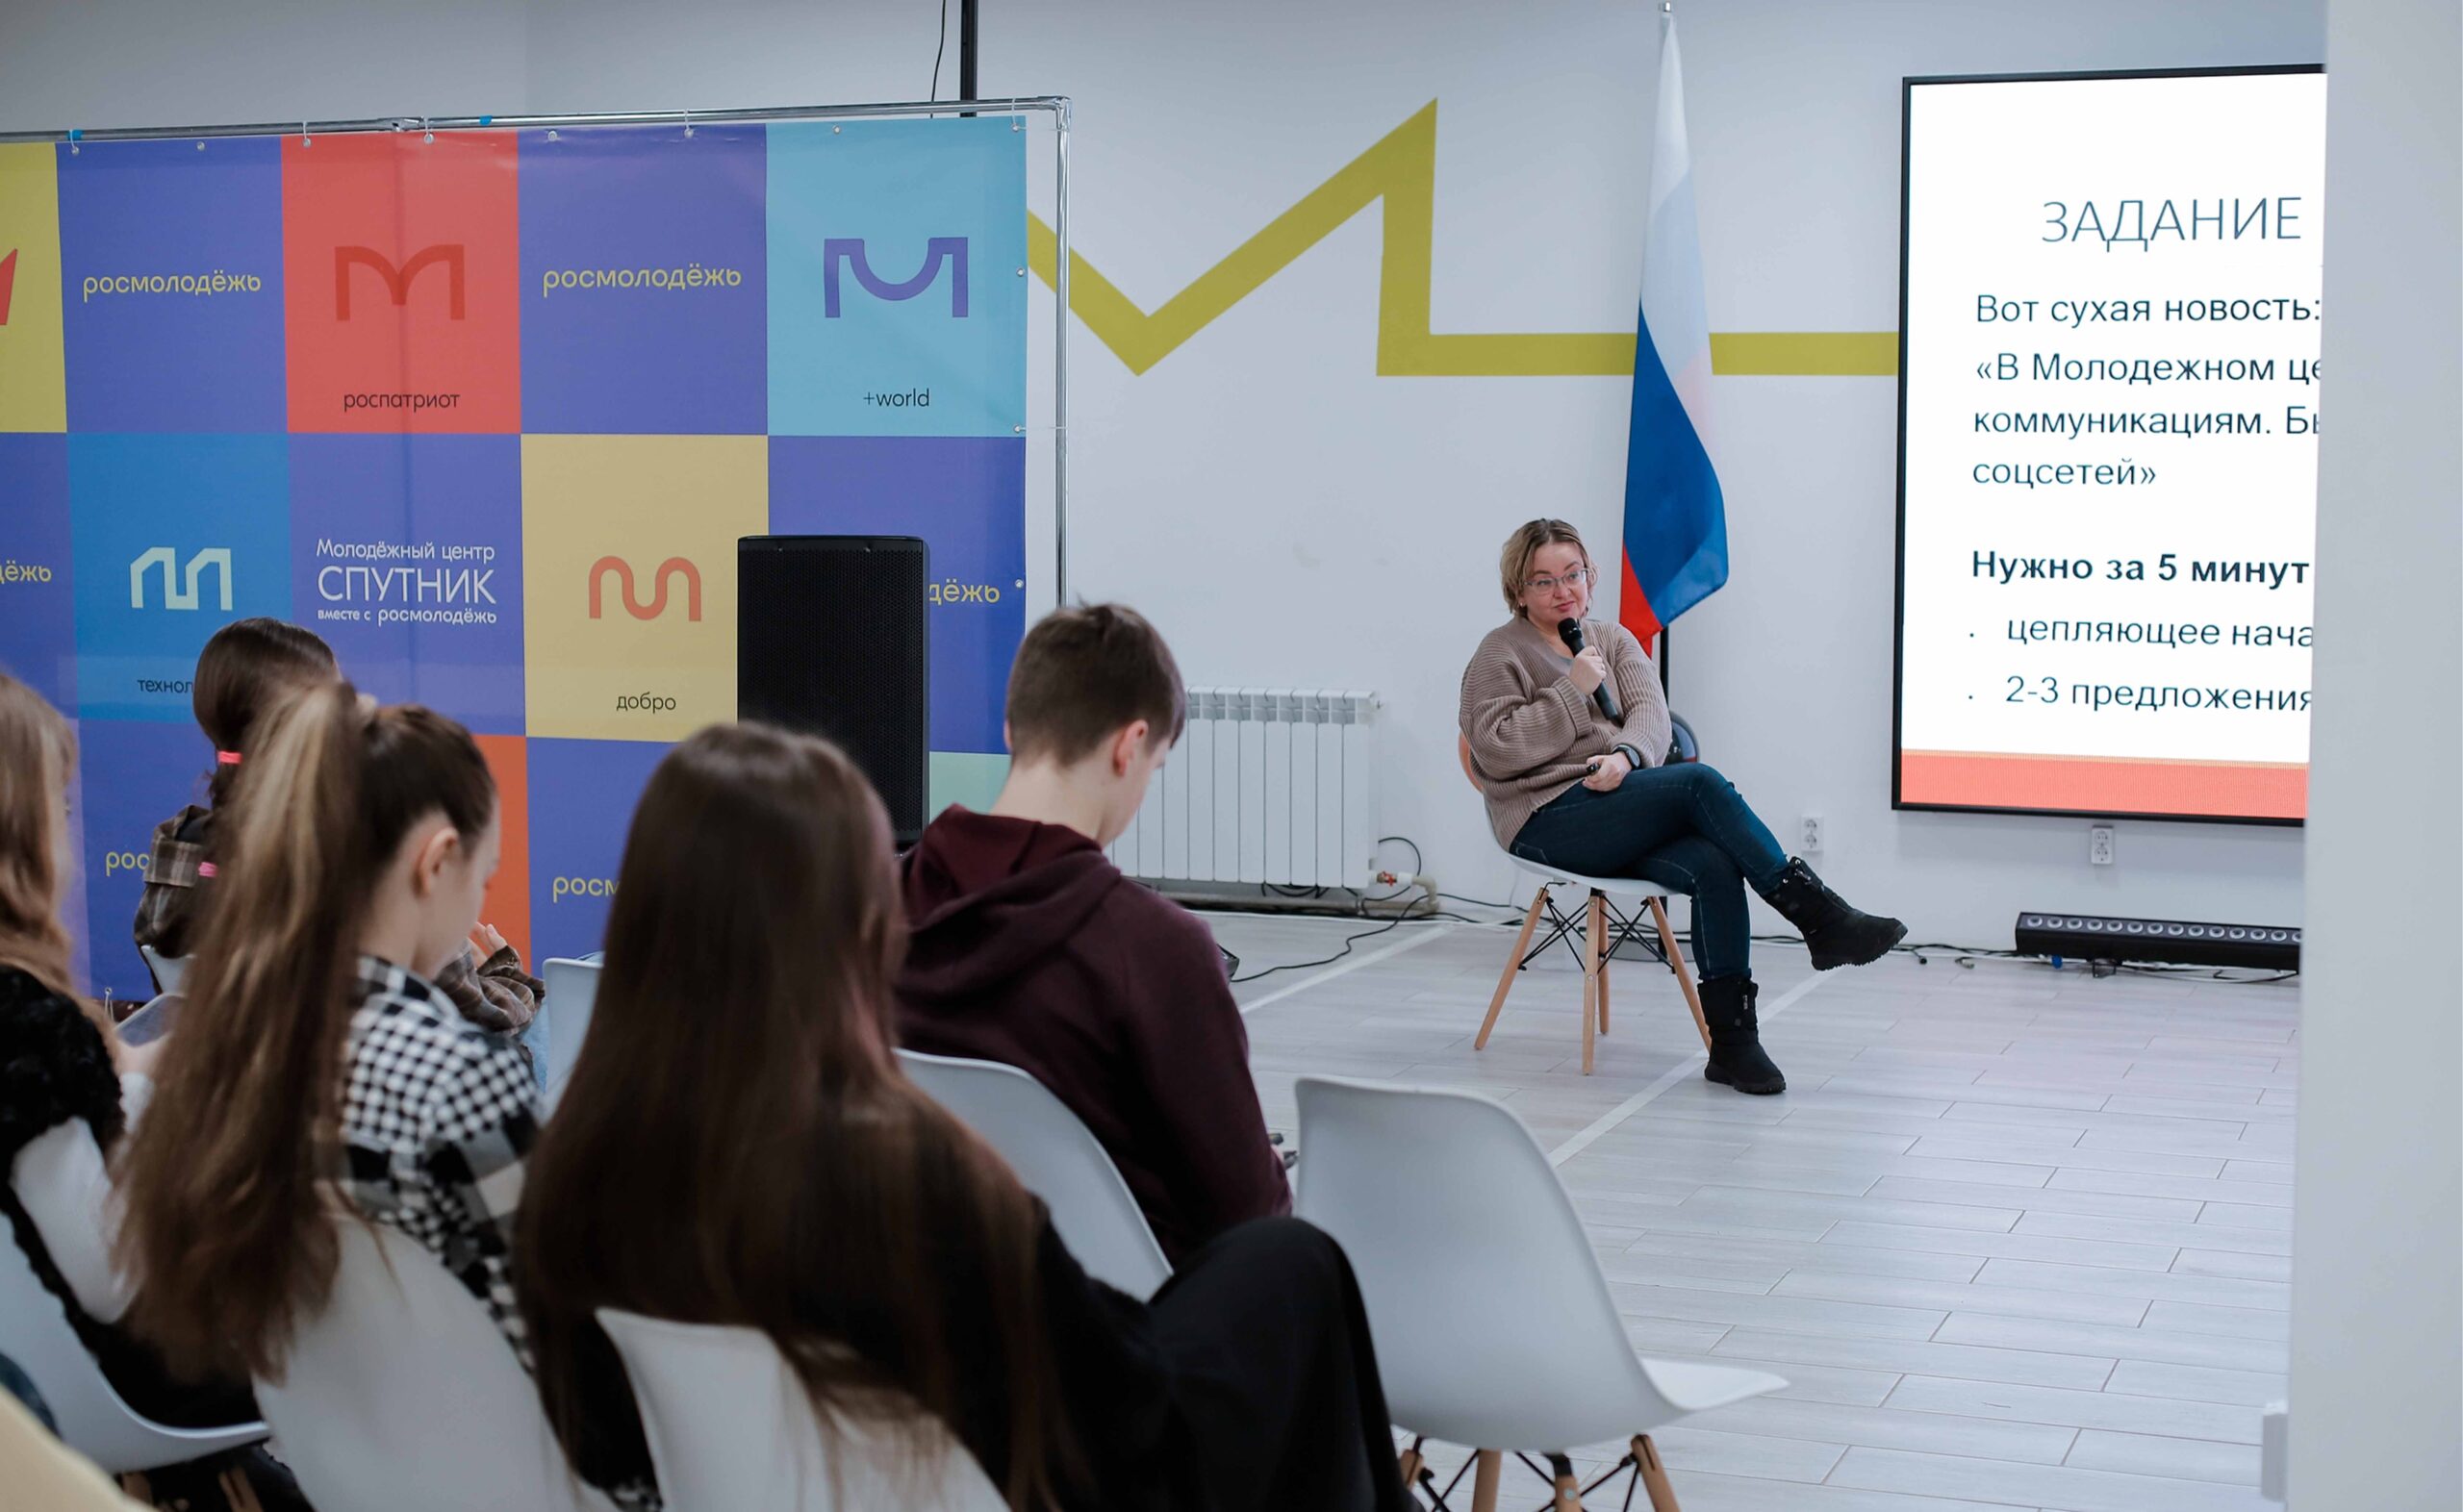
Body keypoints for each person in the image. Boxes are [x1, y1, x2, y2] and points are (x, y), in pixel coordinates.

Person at [518, 722, 1409, 1512]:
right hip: (1059, 1471)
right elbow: (1112, 1403)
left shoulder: (573, 1173)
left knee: (1274, 1274)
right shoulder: (898, 1174)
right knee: (1293, 1268)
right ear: (854, 931)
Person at [114, 686, 542, 1416]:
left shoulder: (205, 1054)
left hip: (319, 1450)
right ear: (437, 861)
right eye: (484, 873)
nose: (480, 898)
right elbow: (562, 1363)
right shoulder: (461, 1082)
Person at [896, 604, 1290, 1264]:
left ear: (1012, 728)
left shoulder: (871, 903)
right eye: (1153, 769)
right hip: (1109, 1306)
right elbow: (1248, 1211)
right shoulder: (1154, 946)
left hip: (915, 1283)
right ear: (1129, 746)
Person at [1460, 519, 1906, 1095]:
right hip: (1544, 817)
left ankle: (1733, 1046)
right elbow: (1494, 750)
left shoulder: (1613, 640)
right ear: (1518, 592)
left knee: (1713, 867)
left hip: (1615, 803)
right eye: (1544, 581)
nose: (1563, 590)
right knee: (1698, 783)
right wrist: (1572, 689)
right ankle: (1820, 918)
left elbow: (1652, 717)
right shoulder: (1498, 654)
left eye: (1573, 574)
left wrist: (1625, 757)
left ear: (1590, 576)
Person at [0, 674, 301, 1511]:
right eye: (59, 806)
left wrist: (145, 1070)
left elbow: (58, 1129)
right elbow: (109, 1275)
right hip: (128, 1381)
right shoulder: (27, 1024)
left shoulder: (34, 1032)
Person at [133, 617, 541, 1042]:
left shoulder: (175, 850)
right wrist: (505, 971)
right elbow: (483, 1024)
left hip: (224, 1073)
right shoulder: (374, 856)